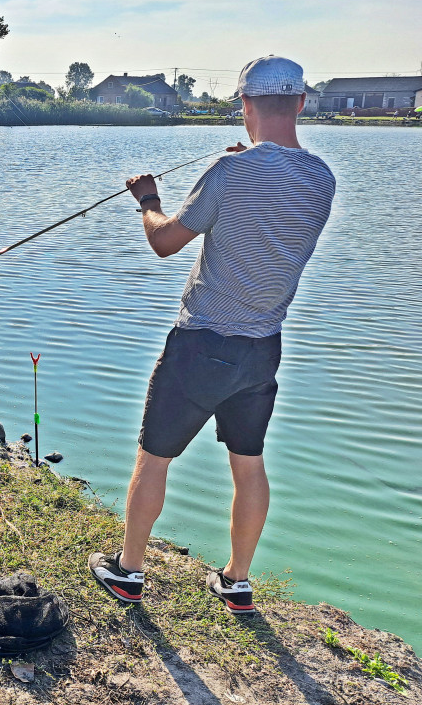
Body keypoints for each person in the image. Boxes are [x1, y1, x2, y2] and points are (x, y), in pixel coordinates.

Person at [88, 55, 336, 615]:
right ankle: (237, 581)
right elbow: (271, 200)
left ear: (243, 106)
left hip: (202, 342)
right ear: (300, 103)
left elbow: (166, 241)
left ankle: (129, 571)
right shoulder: (323, 179)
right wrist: (244, 166)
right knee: (249, 463)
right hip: (263, 350)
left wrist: (148, 200)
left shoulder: (228, 172)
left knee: (154, 458)